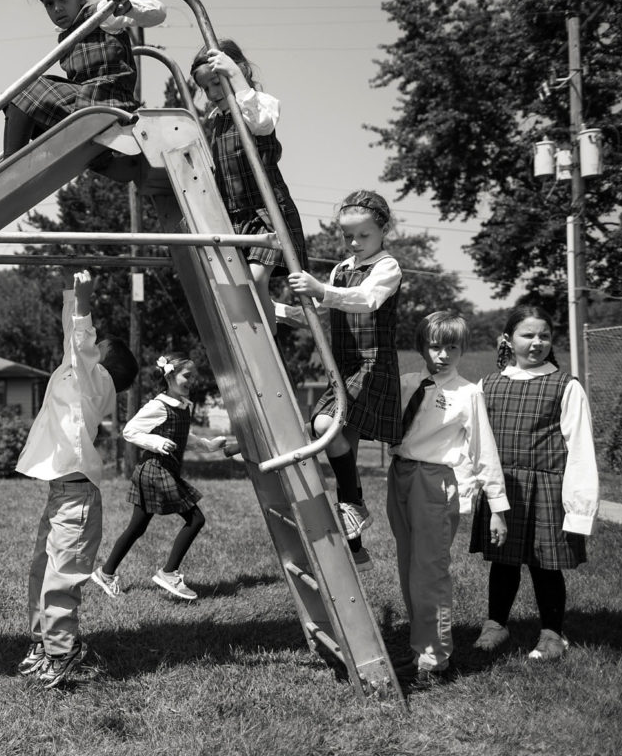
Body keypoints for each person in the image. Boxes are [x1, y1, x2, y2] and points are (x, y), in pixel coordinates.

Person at [15, 269, 139, 689]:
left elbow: (80, 341)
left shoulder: (94, 378)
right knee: (41, 571)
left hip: (77, 497)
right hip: (63, 491)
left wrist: (84, 303)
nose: (88, 343)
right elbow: (74, 336)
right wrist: (70, 291)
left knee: (60, 577)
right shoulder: (79, 374)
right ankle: (42, 643)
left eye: (98, 345)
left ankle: (63, 653)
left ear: (106, 362)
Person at [275, 189, 403, 571]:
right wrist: (275, 308)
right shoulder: (340, 268)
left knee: (324, 425)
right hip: (342, 363)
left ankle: (355, 510)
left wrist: (322, 290)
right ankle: (357, 546)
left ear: (383, 230)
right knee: (338, 440)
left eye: (363, 235)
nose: (354, 242)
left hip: (372, 362)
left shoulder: (387, 267)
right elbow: (315, 310)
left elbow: (365, 300)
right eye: (348, 235)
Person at [468, 306, 599, 660]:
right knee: (504, 561)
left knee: (545, 565)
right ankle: (496, 625)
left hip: (548, 491)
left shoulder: (566, 386)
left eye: (544, 335)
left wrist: (580, 508)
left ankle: (553, 634)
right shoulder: (486, 386)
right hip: (504, 489)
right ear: (508, 340)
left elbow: (582, 449)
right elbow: (474, 443)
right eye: (528, 335)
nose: (537, 342)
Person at [386, 311, 509, 685]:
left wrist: (497, 507)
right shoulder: (407, 382)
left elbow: (483, 449)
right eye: (435, 346)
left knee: (430, 571)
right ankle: (416, 644)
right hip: (401, 475)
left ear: (462, 349)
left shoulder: (468, 392)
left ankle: (434, 659)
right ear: (422, 345)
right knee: (409, 567)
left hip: (435, 481)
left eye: (451, 347)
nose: (442, 355)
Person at [190, 40, 308, 329]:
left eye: (217, 82)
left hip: (265, 214)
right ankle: (281, 313)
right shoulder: (218, 119)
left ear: (236, 73)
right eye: (206, 88)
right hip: (236, 217)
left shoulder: (255, 107)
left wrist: (237, 78)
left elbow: (262, 121)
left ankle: (273, 355)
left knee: (255, 280)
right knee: (238, 287)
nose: (212, 93)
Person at [91, 353, 227, 601]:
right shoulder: (158, 405)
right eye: (187, 375)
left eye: (192, 376)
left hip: (161, 471)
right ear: (170, 376)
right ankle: (169, 573)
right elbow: (129, 431)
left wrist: (209, 446)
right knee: (196, 519)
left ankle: (105, 572)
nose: (191, 381)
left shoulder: (184, 406)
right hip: (155, 471)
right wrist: (155, 441)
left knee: (137, 527)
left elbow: (185, 437)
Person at [3, 0, 166, 157]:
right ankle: (30, 160)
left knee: (25, 91)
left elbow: (159, 12)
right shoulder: (65, 35)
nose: (57, 8)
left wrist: (129, 8)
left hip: (110, 104)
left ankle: (11, 163)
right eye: (49, 3)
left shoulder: (101, 14)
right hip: (84, 104)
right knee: (16, 103)